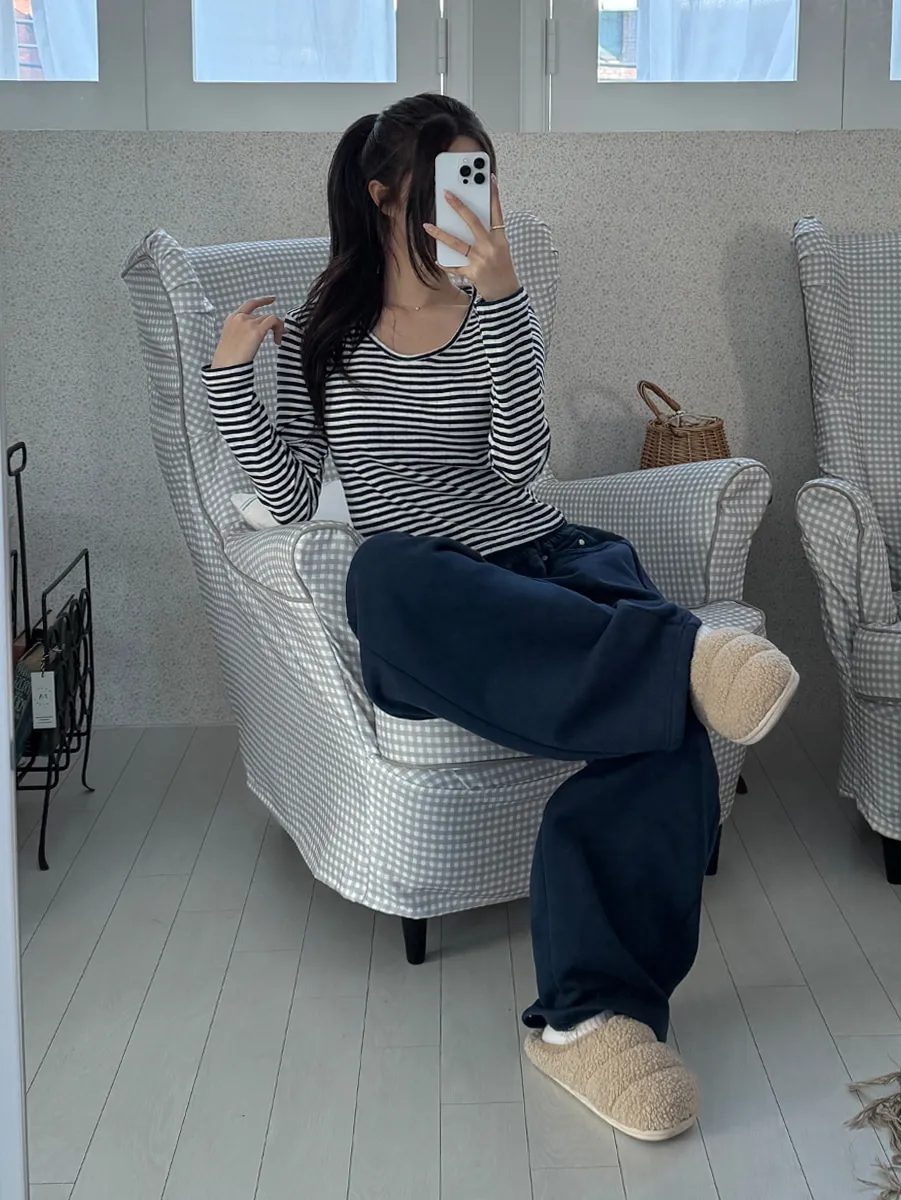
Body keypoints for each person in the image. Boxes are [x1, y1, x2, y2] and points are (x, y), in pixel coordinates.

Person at [202, 93, 798, 1142]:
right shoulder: (324, 328)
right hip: (439, 601)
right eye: (445, 179)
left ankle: (592, 1023)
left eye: (480, 176)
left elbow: (522, 469)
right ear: (385, 194)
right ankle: (677, 659)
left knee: (661, 728)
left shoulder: (491, 309)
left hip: (552, 563)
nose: (469, 201)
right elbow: (291, 498)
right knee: (382, 573)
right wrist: (228, 381)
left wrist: (506, 300)